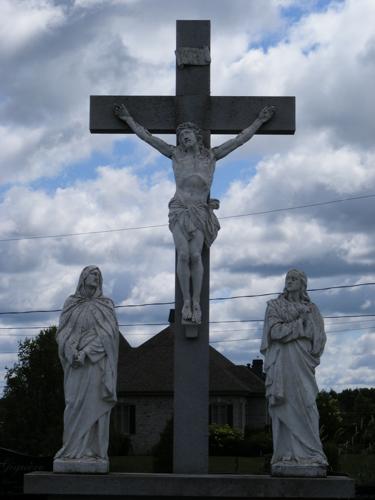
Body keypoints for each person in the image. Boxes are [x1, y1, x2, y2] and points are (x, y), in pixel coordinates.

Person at [114, 103, 275, 324]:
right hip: (179, 209)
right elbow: (148, 138)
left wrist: (260, 121)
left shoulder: (211, 156)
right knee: (183, 255)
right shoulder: (175, 155)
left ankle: (196, 302)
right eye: (181, 135)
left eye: (187, 134)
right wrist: (128, 119)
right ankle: (186, 302)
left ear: (197, 136)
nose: (183, 138)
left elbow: (240, 139)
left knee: (195, 256)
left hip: (199, 211)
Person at [260, 269, 328, 470]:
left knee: (307, 403)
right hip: (283, 363)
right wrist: (299, 325)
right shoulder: (275, 306)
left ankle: (312, 453)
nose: (289, 282)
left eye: (294, 279)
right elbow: (274, 332)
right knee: (286, 402)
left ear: (302, 284)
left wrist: (306, 328)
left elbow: (319, 339)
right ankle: (286, 454)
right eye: (287, 279)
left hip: (302, 362)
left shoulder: (312, 309)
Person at [54, 266, 119, 469]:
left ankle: (94, 452)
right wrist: (71, 350)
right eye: (93, 273)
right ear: (83, 277)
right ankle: (71, 450)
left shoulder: (106, 305)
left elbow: (109, 336)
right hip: (75, 366)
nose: (96, 277)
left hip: (95, 365)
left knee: (94, 406)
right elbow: (62, 333)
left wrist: (86, 352)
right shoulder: (71, 304)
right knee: (73, 403)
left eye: (99, 275)